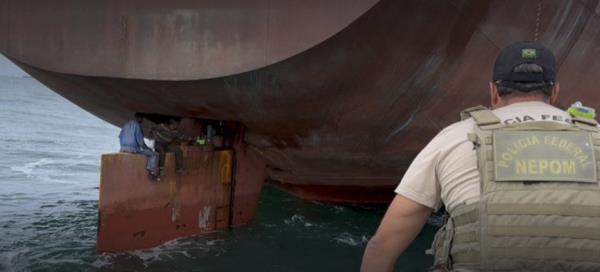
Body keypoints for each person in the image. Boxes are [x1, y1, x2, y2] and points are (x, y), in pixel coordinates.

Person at [361, 42, 600, 271]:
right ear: (555, 92)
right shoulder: (596, 134)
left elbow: (382, 244)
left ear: (494, 92)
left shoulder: (455, 136)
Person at [118, 112, 159, 180]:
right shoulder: (137, 126)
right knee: (153, 154)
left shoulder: (126, 124)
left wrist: (123, 147)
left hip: (122, 148)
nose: (142, 120)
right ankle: (151, 173)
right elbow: (141, 142)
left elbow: (120, 137)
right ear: (139, 118)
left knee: (147, 151)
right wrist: (148, 149)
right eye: (142, 119)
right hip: (133, 150)